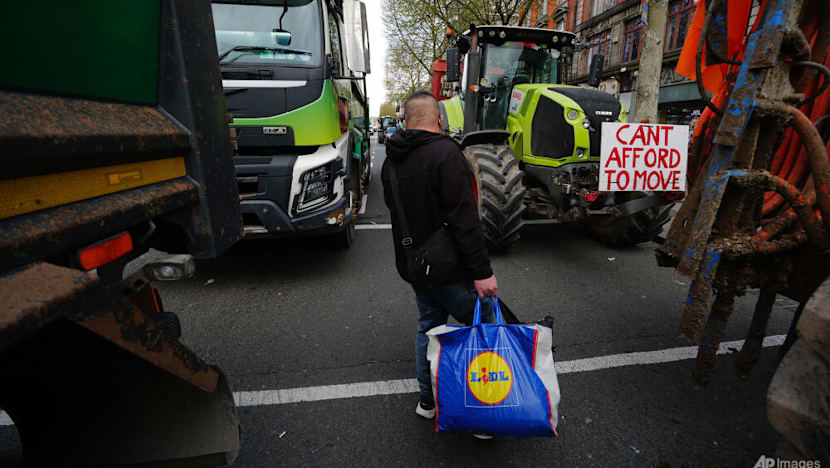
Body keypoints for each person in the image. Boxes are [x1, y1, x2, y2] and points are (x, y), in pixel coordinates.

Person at [381, 90, 498, 421]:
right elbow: (465, 219)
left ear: (406, 120)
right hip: (450, 268)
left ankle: (427, 402)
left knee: (429, 326)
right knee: (484, 327)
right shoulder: (446, 153)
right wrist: (482, 272)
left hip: (415, 265)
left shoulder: (391, 160)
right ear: (439, 119)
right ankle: (483, 407)